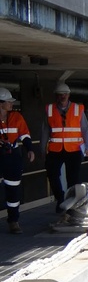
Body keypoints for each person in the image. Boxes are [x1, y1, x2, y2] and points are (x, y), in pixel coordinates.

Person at [44, 81, 88, 213]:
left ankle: (72, 206)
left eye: (65, 94)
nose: (62, 96)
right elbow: (45, 130)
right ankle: (61, 199)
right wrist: (43, 148)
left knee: (73, 178)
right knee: (52, 174)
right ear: (56, 96)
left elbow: (85, 129)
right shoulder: (49, 109)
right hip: (55, 149)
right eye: (60, 94)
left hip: (74, 149)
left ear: (69, 95)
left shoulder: (78, 109)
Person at [0, 88, 35, 233]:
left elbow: (24, 135)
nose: (11, 104)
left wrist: (30, 149)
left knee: (14, 190)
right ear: (1, 103)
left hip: (13, 156)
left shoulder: (16, 117)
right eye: (9, 102)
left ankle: (13, 221)